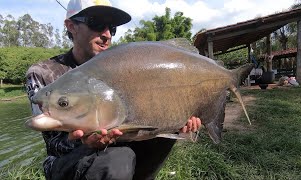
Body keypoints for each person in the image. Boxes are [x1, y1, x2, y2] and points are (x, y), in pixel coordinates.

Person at [25, 0, 201, 179]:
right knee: (117, 158)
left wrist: (176, 123)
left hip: (117, 145)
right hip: (65, 162)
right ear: (71, 26)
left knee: (158, 135)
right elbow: (53, 143)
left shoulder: (122, 67)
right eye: (97, 24)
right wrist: (85, 140)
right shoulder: (42, 73)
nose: (107, 34)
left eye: (112, 28)